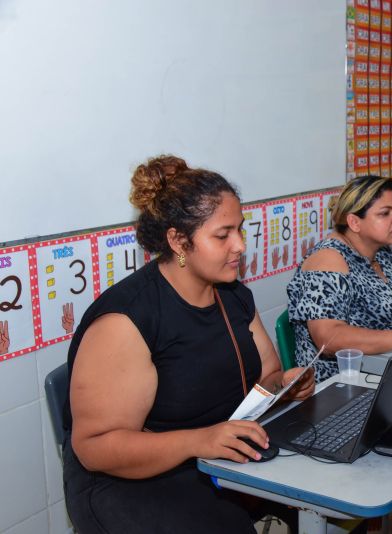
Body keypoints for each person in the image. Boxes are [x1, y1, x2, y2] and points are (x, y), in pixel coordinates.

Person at [63, 155, 315, 534]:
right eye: (222, 235)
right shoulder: (127, 320)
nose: (240, 245)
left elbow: (267, 375)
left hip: (209, 455)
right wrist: (199, 441)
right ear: (178, 240)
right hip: (128, 482)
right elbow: (95, 447)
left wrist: (286, 386)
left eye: (240, 230)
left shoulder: (232, 295)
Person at [287, 175, 392, 382]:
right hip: (339, 382)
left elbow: (382, 316)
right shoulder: (328, 260)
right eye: (385, 213)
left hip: (386, 368)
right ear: (354, 222)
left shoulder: (381, 252)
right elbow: (329, 338)